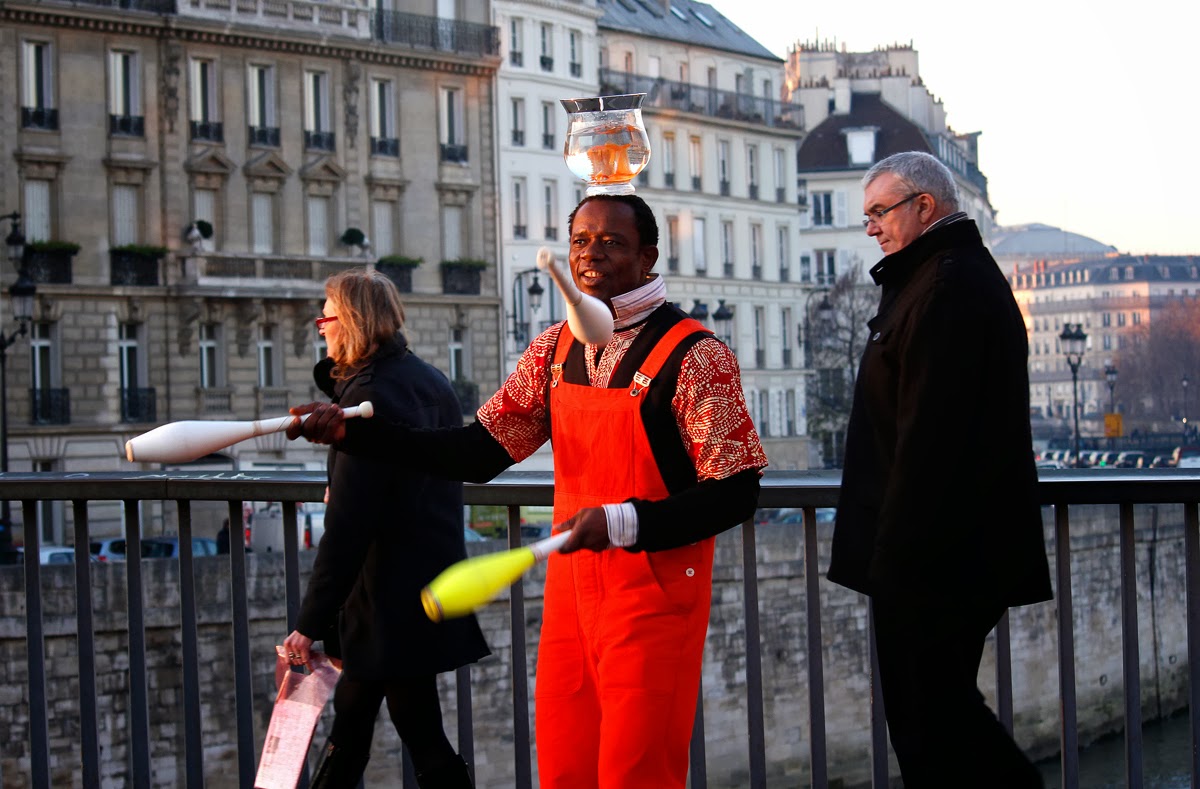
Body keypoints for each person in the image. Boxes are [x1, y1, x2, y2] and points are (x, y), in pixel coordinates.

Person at [288, 194, 767, 789]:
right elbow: (478, 452)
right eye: (581, 241)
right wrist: (358, 434)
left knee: (636, 771)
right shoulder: (553, 349)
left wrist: (625, 521)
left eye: (611, 242)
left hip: (653, 599)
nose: (590, 254)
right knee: (565, 765)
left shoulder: (696, 356)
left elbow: (736, 490)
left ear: (647, 258)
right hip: (571, 596)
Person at [829, 151, 1052, 787]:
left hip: (931, 559)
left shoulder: (945, 287)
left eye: (880, 211)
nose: (871, 227)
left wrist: (893, 562)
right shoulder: (942, 277)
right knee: (940, 718)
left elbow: (931, 441)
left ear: (924, 206)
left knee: (932, 725)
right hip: (941, 552)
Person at [281, 269, 489, 789]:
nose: (321, 328)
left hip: (384, 595)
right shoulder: (429, 380)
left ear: (350, 321)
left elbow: (348, 524)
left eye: (326, 319)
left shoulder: (367, 399)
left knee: (407, 729)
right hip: (426, 577)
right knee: (362, 720)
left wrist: (309, 621)